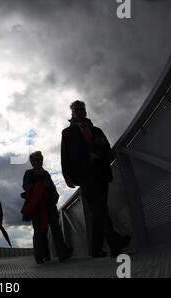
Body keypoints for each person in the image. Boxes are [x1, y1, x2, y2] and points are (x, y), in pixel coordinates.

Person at [61, 100, 130, 258]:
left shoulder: (96, 130)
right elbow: (65, 155)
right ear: (72, 113)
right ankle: (115, 241)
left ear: (85, 111)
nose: (80, 111)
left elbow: (108, 149)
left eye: (82, 109)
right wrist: (67, 176)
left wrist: (101, 147)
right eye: (77, 109)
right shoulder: (67, 133)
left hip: (101, 173)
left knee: (100, 210)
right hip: (84, 175)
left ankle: (96, 249)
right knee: (99, 209)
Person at [21, 151, 73, 264]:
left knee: (56, 228)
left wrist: (52, 195)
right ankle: (40, 256)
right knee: (39, 230)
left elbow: (52, 187)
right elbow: (26, 186)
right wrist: (41, 186)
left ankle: (62, 253)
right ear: (32, 162)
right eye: (37, 159)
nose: (40, 161)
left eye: (40, 158)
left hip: (49, 204)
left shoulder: (46, 173)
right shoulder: (29, 173)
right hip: (38, 207)